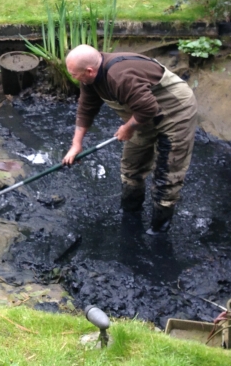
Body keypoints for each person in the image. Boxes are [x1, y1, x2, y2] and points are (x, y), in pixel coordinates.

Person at [61, 44, 198, 234]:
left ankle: (158, 230)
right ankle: (131, 213)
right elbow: (86, 108)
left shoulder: (119, 76)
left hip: (175, 112)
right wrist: (76, 144)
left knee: (167, 176)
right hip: (141, 116)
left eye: (74, 74)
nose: (73, 77)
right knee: (131, 167)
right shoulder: (90, 79)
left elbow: (149, 108)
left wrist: (127, 127)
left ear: (89, 71)